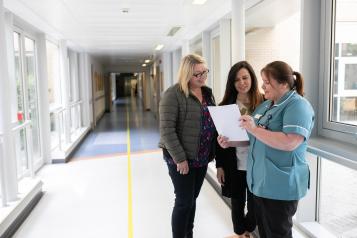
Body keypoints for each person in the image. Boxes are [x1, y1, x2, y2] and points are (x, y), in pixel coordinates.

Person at [219, 61, 314, 238]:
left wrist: (254, 129)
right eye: (262, 81)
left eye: (267, 82)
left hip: (280, 187)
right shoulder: (266, 105)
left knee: (278, 234)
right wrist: (230, 143)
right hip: (261, 185)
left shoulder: (298, 106)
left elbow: (290, 142)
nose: (262, 86)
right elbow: (253, 139)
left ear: (283, 83)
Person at [159, 54, 216, 238]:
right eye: (196, 74)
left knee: (192, 200)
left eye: (204, 72)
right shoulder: (173, 95)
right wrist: (180, 158)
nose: (201, 77)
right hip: (181, 159)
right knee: (184, 201)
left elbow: (211, 121)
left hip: (202, 157)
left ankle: (188, 234)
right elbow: (167, 130)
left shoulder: (207, 93)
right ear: (186, 74)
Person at [215, 61, 263, 238]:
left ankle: (248, 229)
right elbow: (217, 139)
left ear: (252, 78)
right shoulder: (225, 106)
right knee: (236, 203)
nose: (242, 82)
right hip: (233, 164)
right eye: (237, 79)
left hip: (256, 165)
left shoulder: (264, 103)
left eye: (245, 77)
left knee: (255, 206)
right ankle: (241, 234)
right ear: (232, 83)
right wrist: (219, 165)